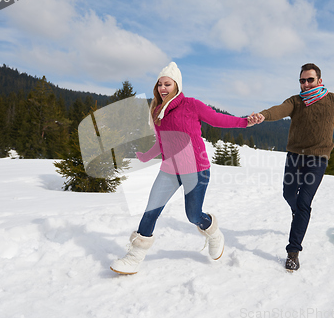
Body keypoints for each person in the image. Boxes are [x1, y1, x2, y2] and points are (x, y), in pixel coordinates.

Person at [111, 62, 260, 275]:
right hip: (169, 170)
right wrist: (146, 156)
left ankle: (214, 232)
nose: (163, 88)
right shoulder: (156, 111)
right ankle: (134, 257)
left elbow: (220, 120)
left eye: (167, 84)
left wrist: (245, 122)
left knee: (193, 215)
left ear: (177, 86)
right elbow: (162, 142)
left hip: (196, 169)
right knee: (151, 210)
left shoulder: (191, 105)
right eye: (160, 84)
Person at [254, 63, 334, 272]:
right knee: (288, 194)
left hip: (318, 159)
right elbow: (280, 110)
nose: (306, 84)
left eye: (310, 80)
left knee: (304, 202)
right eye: (302, 80)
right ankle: (297, 212)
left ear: (319, 80)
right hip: (294, 156)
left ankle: (293, 252)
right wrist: (264, 114)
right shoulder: (296, 101)